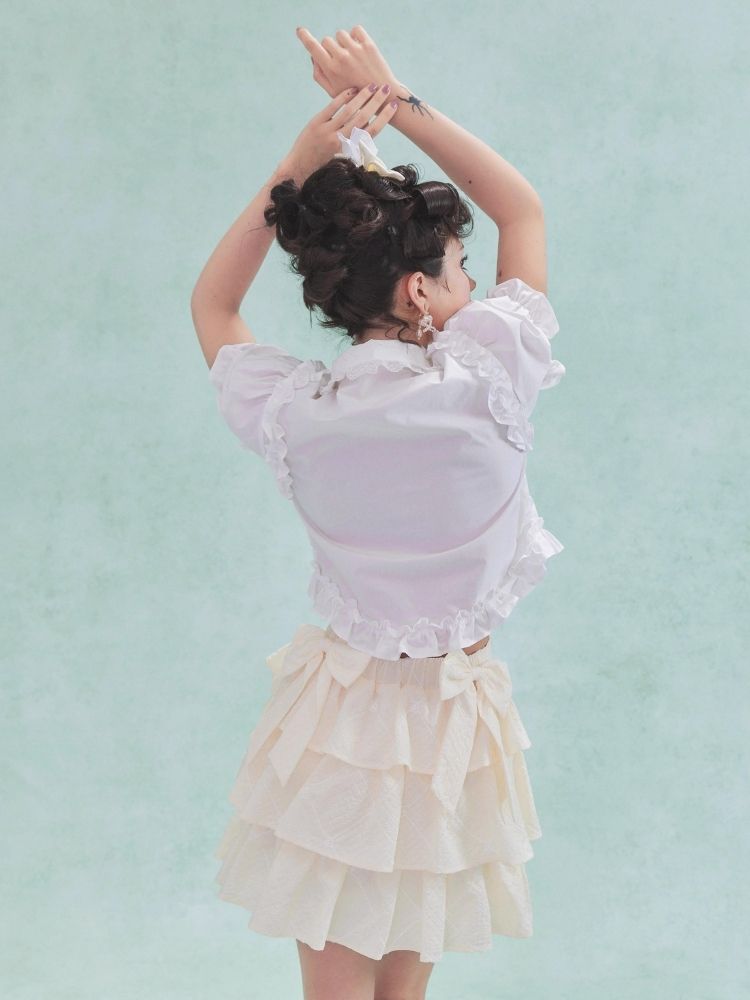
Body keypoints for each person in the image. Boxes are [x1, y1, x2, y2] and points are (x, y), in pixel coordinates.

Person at [191, 24, 566, 1000]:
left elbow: (213, 309)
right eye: (461, 271)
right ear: (420, 289)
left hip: (341, 714)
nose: (475, 286)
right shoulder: (490, 378)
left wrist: (297, 164)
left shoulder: (299, 412)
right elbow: (520, 207)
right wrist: (395, 101)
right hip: (455, 716)